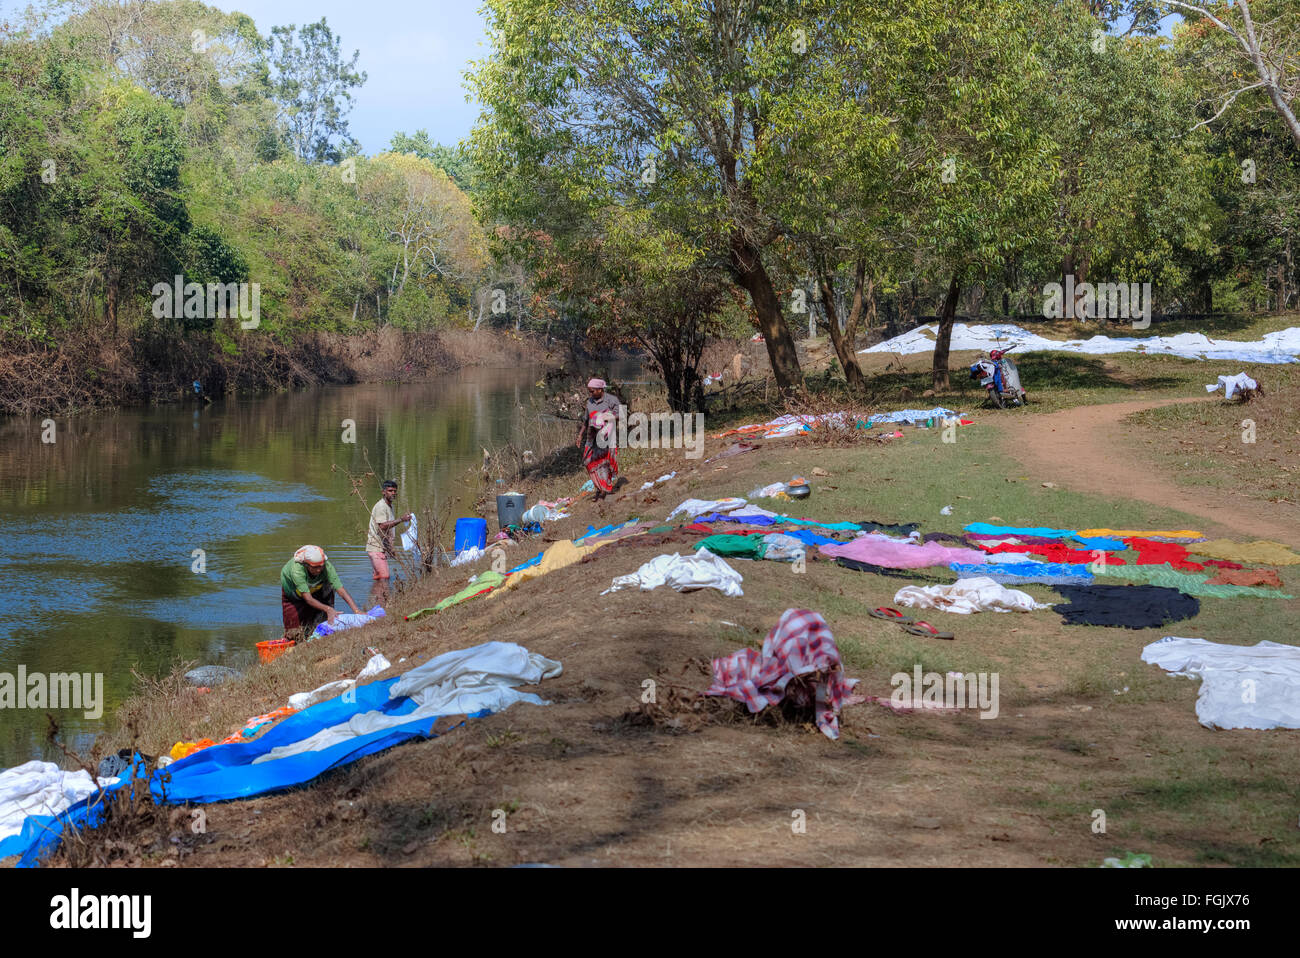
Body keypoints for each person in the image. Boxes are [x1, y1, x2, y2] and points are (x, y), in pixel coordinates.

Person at [280, 545, 362, 637]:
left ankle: (319, 635)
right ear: (306, 565)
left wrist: (356, 610)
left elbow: (340, 589)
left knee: (322, 620)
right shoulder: (297, 570)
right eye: (314, 567)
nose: (319, 570)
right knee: (294, 629)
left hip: (316, 587)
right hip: (294, 592)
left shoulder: (327, 566)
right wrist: (328, 609)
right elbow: (308, 599)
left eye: (321, 566)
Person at [576, 377, 621, 500]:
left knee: (604, 462)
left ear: (601, 390)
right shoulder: (590, 402)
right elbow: (586, 420)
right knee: (588, 461)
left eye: (592, 391)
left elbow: (620, 415)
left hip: (606, 435)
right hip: (592, 436)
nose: (590, 394)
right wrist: (580, 434)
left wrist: (605, 418)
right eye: (589, 391)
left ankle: (603, 489)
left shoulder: (611, 400)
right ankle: (599, 487)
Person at [367, 479, 412, 580]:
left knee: (378, 577)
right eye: (390, 491)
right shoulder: (381, 506)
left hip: (381, 547)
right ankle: (381, 595)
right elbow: (382, 526)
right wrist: (401, 519)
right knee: (384, 577)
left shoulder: (389, 506)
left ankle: (376, 595)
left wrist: (389, 547)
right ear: (383, 492)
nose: (393, 493)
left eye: (395, 491)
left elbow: (385, 531)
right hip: (375, 547)